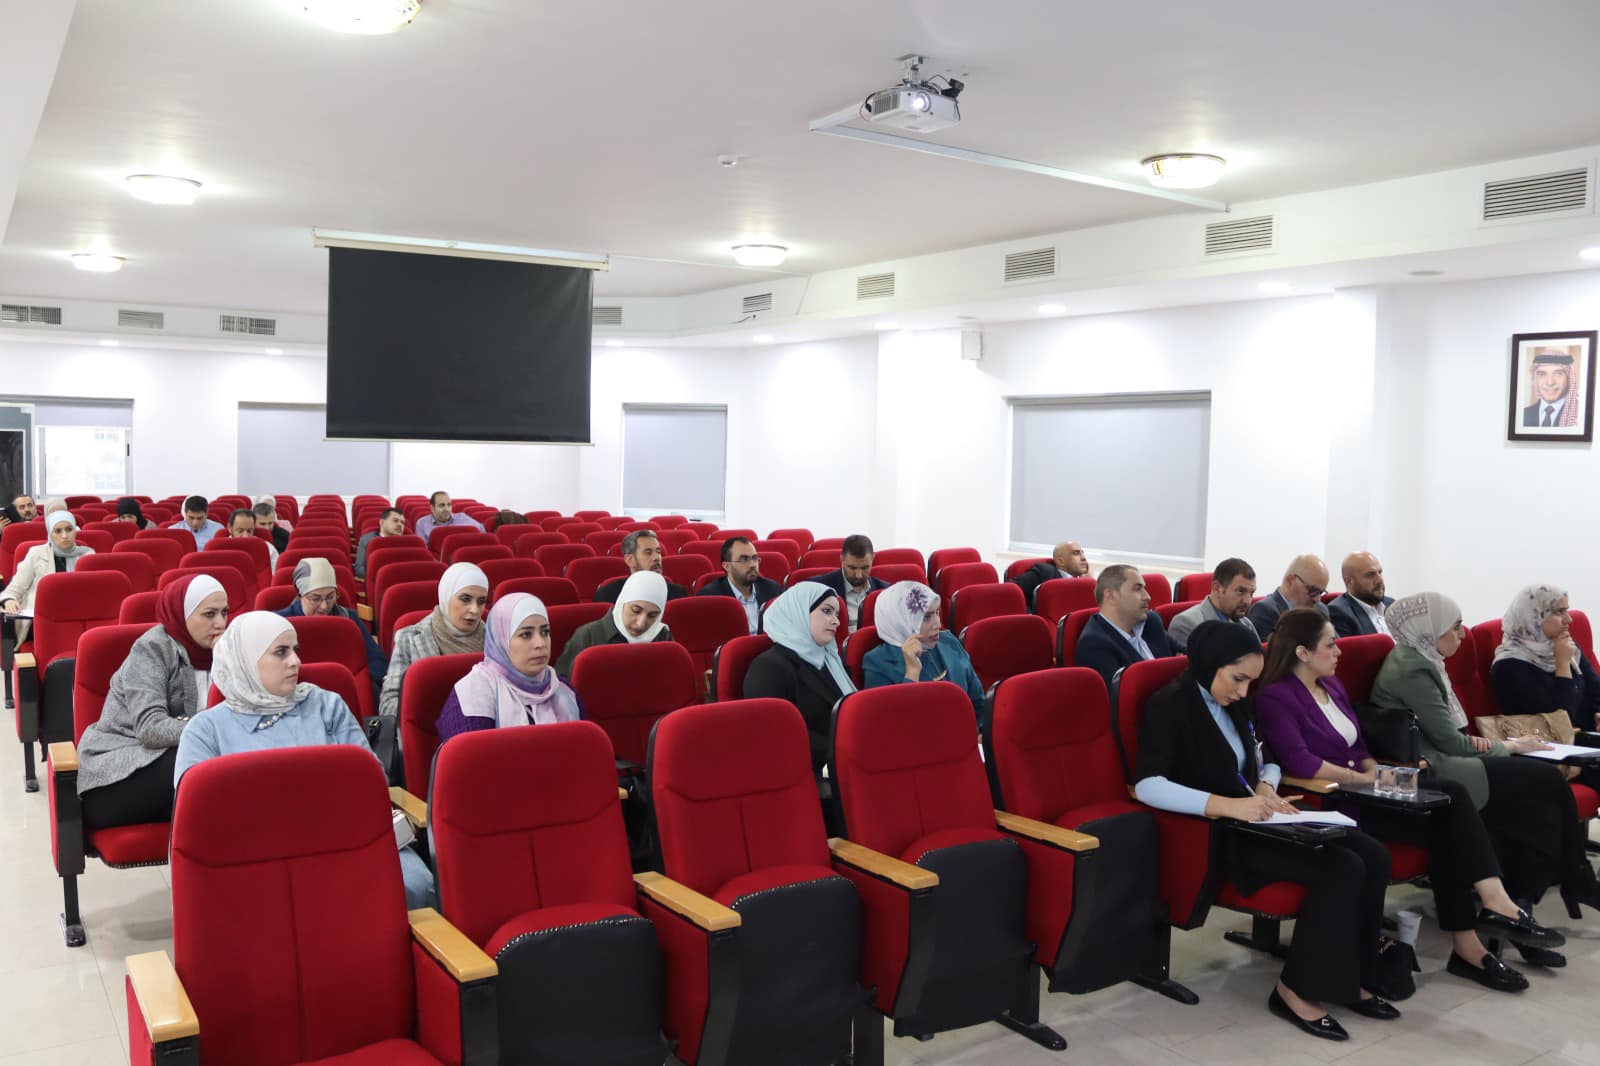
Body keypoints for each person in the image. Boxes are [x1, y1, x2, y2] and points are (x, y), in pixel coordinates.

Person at [1256, 609, 1559, 988]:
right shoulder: (1276, 698)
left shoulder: (1331, 686)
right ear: (1302, 653)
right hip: (1339, 798)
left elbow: (1360, 746)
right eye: (1330, 645)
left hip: (1369, 783)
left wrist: (1377, 774)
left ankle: (1485, 920)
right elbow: (1302, 762)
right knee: (1449, 818)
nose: (1338, 652)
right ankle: (1479, 931)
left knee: (1449, 801)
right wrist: (1364, 778)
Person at [1135, 621, 1396, 1040]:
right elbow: (1148, 785)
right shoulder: (1171, 705)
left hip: (1261, 815)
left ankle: (1354, 978)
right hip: (1222, 833)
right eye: (1237, 679)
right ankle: (1296, 989)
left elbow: (1269, 758)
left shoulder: (1237, 701)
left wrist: (1265, 787)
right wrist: (1231, 805)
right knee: (1342, 867)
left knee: (1373, 855)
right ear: (1211, 664)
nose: (1244, 692)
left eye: (1250, 682)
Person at [175, 611, 435, 909]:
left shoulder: (326, 704)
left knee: (416, 883)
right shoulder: (205, 730)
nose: (295, 661)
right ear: (245, 660)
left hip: (344, 831)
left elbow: (372, 777)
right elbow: (197, 817)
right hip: (257, 850)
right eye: (281, 652)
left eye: (295, 650)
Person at [1371, 592, 1600, 921]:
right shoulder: (1413, 670)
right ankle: (1572, 880)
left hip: (1450, 756)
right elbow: (1451, 743)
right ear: (1429, 629)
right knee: (1546, 780)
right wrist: (1509, 747)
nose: (1462, 635)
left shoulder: (1422, 658)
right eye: (1455, 627)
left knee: (1539, 801)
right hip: (1434, 768)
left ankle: (1524, 897)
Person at [75, 575, 228, 828]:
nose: (220, 623)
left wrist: (225, 661)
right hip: (116, 777)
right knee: (201, 762)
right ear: (182, 614)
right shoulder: (151, 649)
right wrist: (217, 731)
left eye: (224, 613)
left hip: (174, 769)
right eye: (209, 614)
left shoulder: (225, 651)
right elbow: (150, 728)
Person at [435, 593, 581, 742]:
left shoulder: (564, 691)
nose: (540, 644)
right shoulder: (472, 696)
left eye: (545, 632)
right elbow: (470, 756)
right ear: (501, 640)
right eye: (526, 635)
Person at [744, 581, 855, 771]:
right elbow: (776, 735)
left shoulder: (829, 659)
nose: (836, 621)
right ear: (799, 612)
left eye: (836, 614)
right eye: (826, 611)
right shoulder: (768, 667)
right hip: (805, 771)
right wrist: (846, 749)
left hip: (844, 761)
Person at [862, 580, 985, 723]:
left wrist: (979, 732)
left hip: (966, 734)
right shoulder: (877, 662)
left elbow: (979, 705)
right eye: (926, 617)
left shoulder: (949, 641)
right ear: (901, 620)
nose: (938, 624)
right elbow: (890, 723)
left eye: (937, 613)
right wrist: (912, 673)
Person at [379, 562, 489, 718]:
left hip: (484, 726)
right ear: (446, 596)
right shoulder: (410, 639)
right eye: (465, 599)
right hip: (426, 728)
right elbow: (388, 705)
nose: (475, 610)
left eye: (481, 601)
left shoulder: (495, 640)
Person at [277, 558, 388, 707]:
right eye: (315, 599)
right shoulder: (280, 624)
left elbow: (378, 662)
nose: (324, 606)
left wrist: (357, 684)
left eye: (330, 597)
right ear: (300, 595)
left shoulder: (348, 619)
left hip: (346, 698)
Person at [1489, 583, 1600, 732]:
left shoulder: (1561, 643)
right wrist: (1562, 666)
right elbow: (1560, 724)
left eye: (1566, 610)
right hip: (1555, 742)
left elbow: (1596, 688)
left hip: (1590, 735)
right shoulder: (1509, 667)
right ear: (1534, 616)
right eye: (1559, 612)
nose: (1568, 619)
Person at [555, 570, 673, 676]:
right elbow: (564, 686)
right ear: (622, 603)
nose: (641, 624)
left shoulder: (663, 637)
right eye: (635, 611)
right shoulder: (588, 636)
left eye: (652, 616)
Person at [1074, 565, 1174, 688]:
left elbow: (1187, 659)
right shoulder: (1093, 644)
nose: (1147, 596)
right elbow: (1126, 695)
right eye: (1137, 589)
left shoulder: (1151, 622)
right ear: (1111, 596)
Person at [1, 510, 95, 641]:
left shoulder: (88, 555)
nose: (64, 536)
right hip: (42, 617)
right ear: (50, 533)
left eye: (69, 529)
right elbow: (14, 589)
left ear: (75, 530)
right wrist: (9, 600)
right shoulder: (36, 554)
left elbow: (93, 595)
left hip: (76, 616)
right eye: (58, 531)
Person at [1168, 557, 1259, 652]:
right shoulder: (1186, 624)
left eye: (1251, 593)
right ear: (1217, 588)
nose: (1247, 601)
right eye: (1240, 591)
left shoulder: (1246, 624)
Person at [696, 536, 781, 635]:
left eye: (754, 558)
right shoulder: (711, 598)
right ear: (727, 566)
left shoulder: (771, 589)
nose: (753, 565)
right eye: (744, 559)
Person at [814, 534, 889, 628]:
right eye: (852, 568)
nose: (859, 575)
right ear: (842, 559)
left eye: (865, 568)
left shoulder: (886, 591)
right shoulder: (818, 588)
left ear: (873, 559)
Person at [1248, 554, 1331, 637]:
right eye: (1312, 590)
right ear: (1290, 580)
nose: (1317, 599)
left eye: (1321, 592)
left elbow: (1334, 642)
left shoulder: (1321, 610)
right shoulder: (1264, 611)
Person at [594, 531, 688, 603]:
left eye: (658, 552)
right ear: (630, 560)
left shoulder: (678, 593)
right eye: (648, 552)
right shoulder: (606, 595)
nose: (657, 558)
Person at [1327, 552, 1395, 639]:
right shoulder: (1339, 612)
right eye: (1370, 575)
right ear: (1349, 581)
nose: (1380, 580)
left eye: (1380, 572)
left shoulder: (1392, 605)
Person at [1012, 540, 1090, 610]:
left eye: (1083, 553)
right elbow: (1011, 588)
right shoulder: (1045, 573)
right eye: (1076, 553)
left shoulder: (1084, 582)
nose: (1084, 558)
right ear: (1060, 561)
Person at [1522, 347, 1580, 428]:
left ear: (1569, 378)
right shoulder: (1523, 414)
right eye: (1542, 374)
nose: (1550, 382)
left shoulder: (1579, 416)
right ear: (1535, 379)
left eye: (1558, 374)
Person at [354, 507, 406, 578]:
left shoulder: (408, 543)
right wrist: (382, 577)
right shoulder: (368, 540)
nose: (400, 525)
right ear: (382, 522)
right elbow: (359, 569)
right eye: (395, 521)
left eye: (402, 522)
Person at [414, 491, 484, 543]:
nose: (447, 509)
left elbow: (481, 530)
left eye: (449, 505)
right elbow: (424, 549)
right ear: (432, 508)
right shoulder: (422, 523)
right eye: (442, 505)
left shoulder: (462, 518)